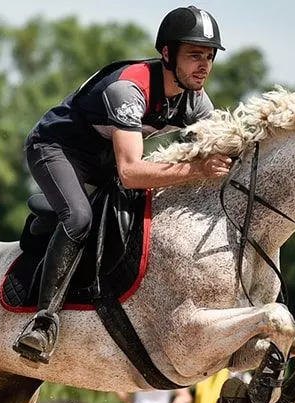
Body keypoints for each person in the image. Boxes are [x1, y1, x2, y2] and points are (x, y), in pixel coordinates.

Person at [12, 5, 235, 363]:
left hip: (103, 158)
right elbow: (131, 171)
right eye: (194, 55)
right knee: (80, 218)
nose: (204, 66)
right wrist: (198, 169)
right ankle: (43, 322)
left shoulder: (196, 101)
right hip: (55, 148)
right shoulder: (129, 89)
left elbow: (222, 147)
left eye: (209, 57)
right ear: (167, 53)